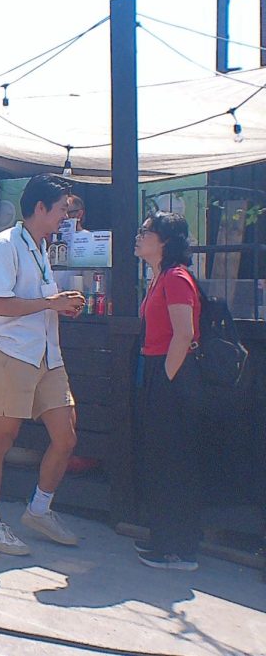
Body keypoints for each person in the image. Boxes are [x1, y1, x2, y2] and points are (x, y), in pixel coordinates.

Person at [0, 174, 86, 555]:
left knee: (66, 435)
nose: (64, 218)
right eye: (61, 210)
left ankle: (38, 510)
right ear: (39, 208)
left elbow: (34, 302)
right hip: (10, 351)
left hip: (45, 354)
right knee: (1, 438)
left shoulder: (38, 247)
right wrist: (52, 304)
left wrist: (60, 306)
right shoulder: (4, 246)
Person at [134, 211, 202, 571]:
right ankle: (165, 539)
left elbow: (185, 334)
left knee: (172, 460)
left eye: (146, 231)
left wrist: (166, 377)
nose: (139, 236)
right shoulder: (159, 277)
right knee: (162, 458)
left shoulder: (175, 278)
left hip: (172, 376)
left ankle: (178, 548)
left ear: (164, 240)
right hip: (160, 372)